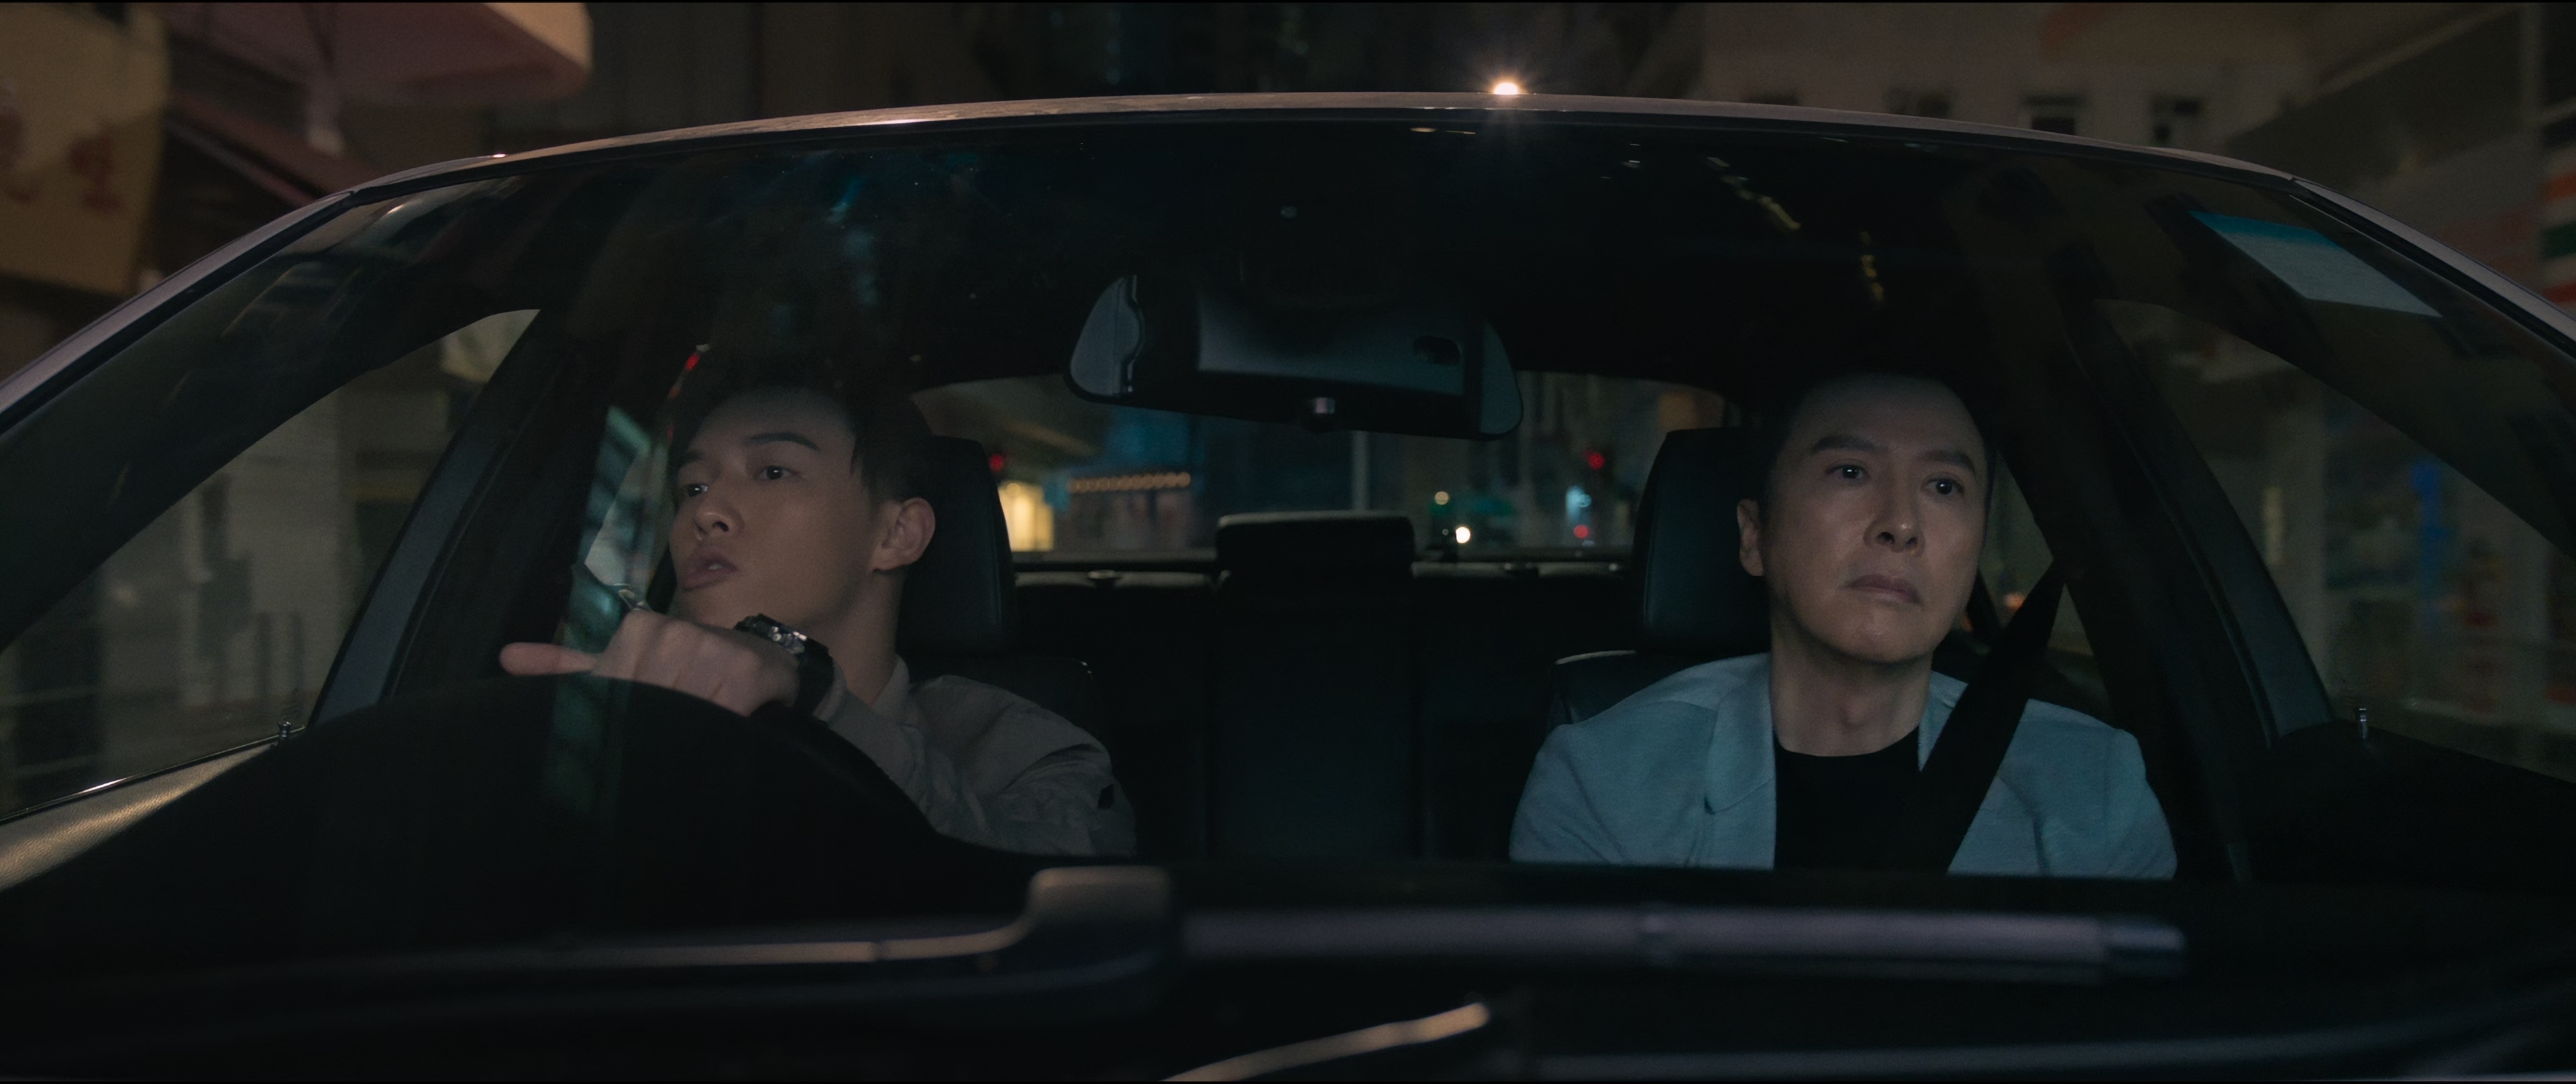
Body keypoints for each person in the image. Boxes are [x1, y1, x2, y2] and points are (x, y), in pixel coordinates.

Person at [1509, 372, 2173, 877]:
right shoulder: (1606, 781)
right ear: (1755, 535)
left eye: (1944, 486)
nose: (1901, 523)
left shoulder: (2092, 790)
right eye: (1850, 471)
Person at [501, 368, 1136, 857]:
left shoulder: (1016, 747)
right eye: (692, 487)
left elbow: (1055, 879)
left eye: (773, 472)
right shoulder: (618, 724)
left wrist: (812, 692)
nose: (705, 511)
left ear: (897, 535)